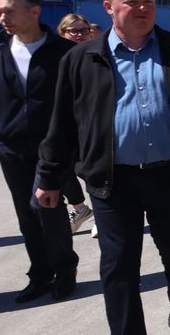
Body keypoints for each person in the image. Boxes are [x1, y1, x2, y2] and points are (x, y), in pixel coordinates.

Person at [35, 0, 170, 332]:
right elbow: (62, 123)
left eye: (148, 2)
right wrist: (48, 177)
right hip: (112, 180)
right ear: (109, 8)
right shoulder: (81, 59)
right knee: (118, 265)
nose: (142, 9)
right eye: (132, 2)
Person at [0, 0, 79, 303]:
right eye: (0, 12)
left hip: (53, 146)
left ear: (34, 12)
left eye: (10, 11)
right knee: (26, 215)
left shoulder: (64, 51)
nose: (3, 18)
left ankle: (65, 270)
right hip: (11, 146)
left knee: (47, 208)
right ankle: (40, 275)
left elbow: (78, 100)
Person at [56, 14, 97, 237]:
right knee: (64, 171)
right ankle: (80, 209)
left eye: (84, 30)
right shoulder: (56, 59)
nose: (80, 35)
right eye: (74, 31)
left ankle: (101, 214)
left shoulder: (97, 54)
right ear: (63, 33)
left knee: (93, 171)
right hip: (65, 126)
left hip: (93, 125)